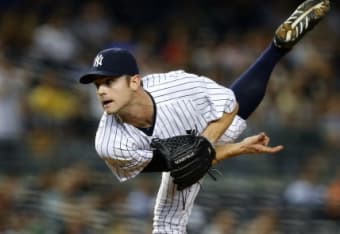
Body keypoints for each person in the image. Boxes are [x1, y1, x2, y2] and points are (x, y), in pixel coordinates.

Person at [78, 0, 330, 233]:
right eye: (97, 84)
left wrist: (206, 142)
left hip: (199, 119)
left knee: (231, 117)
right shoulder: (109, 142)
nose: (101, 90)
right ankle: (275, 50)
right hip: (174, 154)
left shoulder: (175, 84)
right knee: (168, 222)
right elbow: (178, 164)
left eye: (110, 82)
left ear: (135, 82)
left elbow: (230, 103)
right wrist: (233, 149)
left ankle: (276, 49)